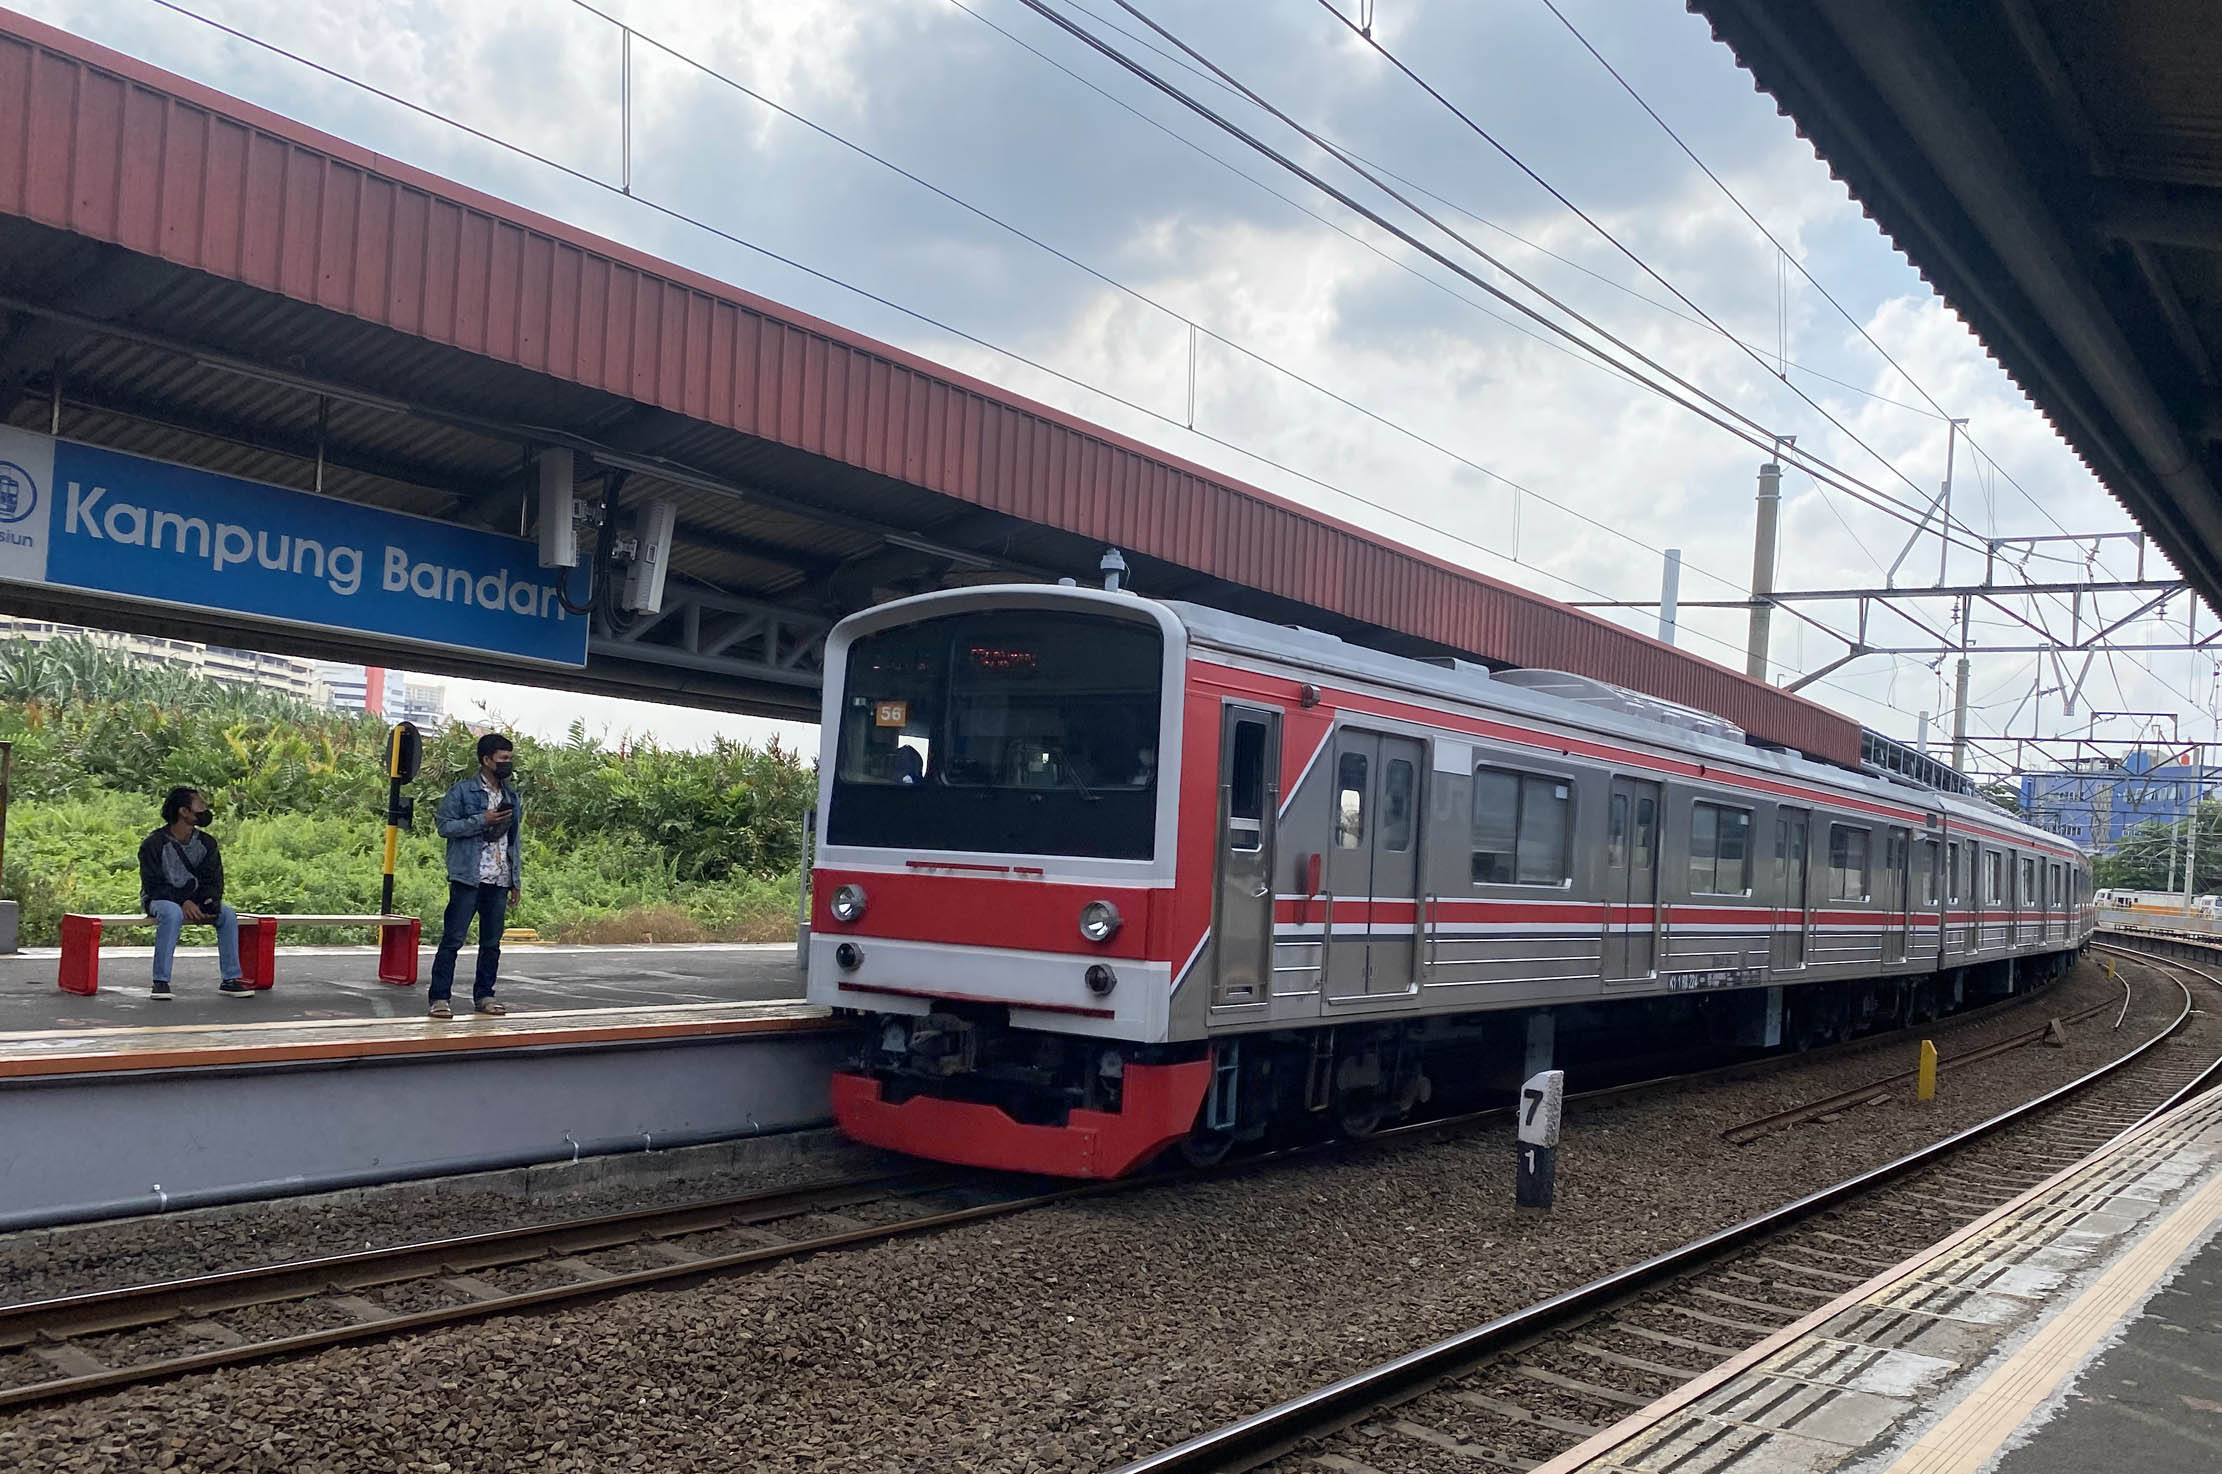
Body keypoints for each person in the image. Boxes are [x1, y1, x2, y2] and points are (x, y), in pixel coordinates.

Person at [428, 733, 522, 1019]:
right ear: (486, 760)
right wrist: (483, 820)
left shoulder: (511, 796)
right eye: (502, 759)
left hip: (498, 879)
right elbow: (445, 827)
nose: (507, 763)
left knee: (491, 944)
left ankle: (485, 995)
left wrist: (515, 880)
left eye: (509, 758)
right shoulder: (462, 792)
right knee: (453, 940)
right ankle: (440, 998)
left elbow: (515, 841)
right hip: (468, 877)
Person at [138, 786, 248, 999]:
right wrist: (182, 902)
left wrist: (208, 901)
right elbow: (153, 884)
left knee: (227, 915)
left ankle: (231, 979)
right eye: (200, 805)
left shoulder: (207, 843)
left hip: (196, 899)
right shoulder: (153, 844)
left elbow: (213, 880)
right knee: (172, 913)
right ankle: (160, 981)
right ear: (184, 811)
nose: (204, 809)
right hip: (159, 899)